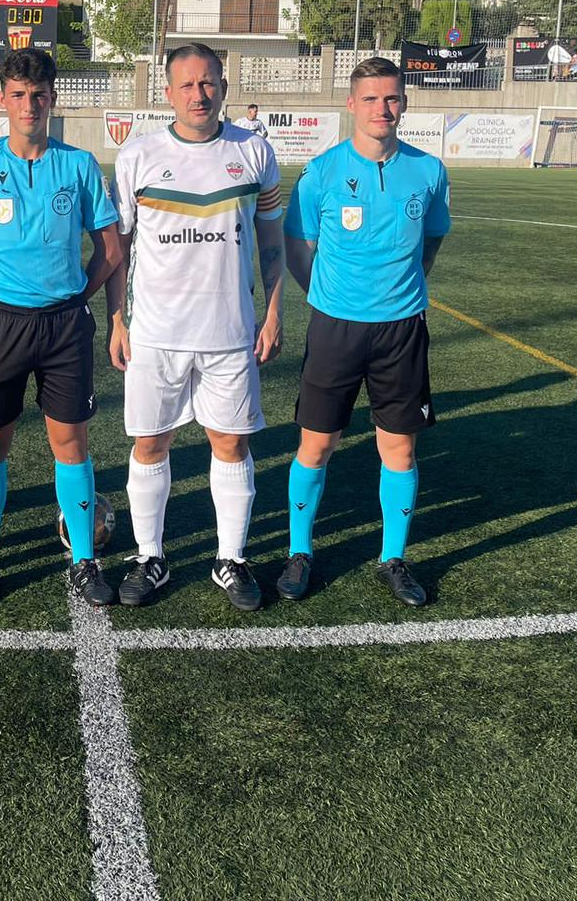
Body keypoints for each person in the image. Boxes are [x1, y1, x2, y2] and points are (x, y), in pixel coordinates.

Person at [0, 48, 123, 610]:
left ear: (52, 99)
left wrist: (79, 298)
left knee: (70, 443)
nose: (29, 105)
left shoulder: (79, 165)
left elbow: (111, 248)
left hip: (64, 327)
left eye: (38, 95)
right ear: (2, 99)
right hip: (0, 324)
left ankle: (84, 561)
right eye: (18, 95)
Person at [106, 44, 285, 611]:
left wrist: (274, 311)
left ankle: (231, 559)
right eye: (186, 85)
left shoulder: (254, 152)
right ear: (168, 93)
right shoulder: (138, 156)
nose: (198, 95)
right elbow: (118, 248)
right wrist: (117, 319)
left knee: (230, 443)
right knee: (150, 442)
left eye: (207, 83)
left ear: (223, 87)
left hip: (230, 333)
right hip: (155, 332)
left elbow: (272, 238)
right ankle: (149, 557)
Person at [279, 56, 450, 608]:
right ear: (351, 104)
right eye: (371, 98)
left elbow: (432, 239)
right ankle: (299, 551)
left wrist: (405, 287)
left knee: (398, 446)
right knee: (317, 443)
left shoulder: (428, 170)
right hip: (336, 327)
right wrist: (323, 295)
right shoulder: (322, 171)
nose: (383, 108)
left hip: (401, 329)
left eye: (392, 97)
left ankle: (393, 557)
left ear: (404, 103)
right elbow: (297, 243)